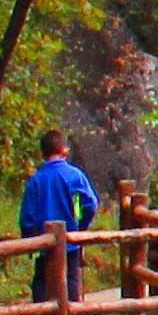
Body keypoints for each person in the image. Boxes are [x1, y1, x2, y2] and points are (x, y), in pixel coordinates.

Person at [19, 129, 102, 303]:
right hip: (70, 236)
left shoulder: (36, 180)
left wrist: (30, 237)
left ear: (43, 153)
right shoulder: (74, 175)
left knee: (41, 277)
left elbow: (28, 213)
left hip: (42, 239)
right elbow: (89, 204)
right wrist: (81, 225)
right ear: (65, 150)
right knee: (71, 275)